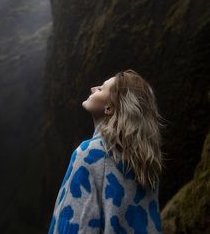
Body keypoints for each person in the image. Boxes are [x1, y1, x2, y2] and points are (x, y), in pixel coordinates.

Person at [47, 69, 166, 233]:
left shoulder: (89, 153)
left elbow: (74, 224)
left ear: (109, 107)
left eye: (101, 89)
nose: (93, 88)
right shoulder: (146, 163)